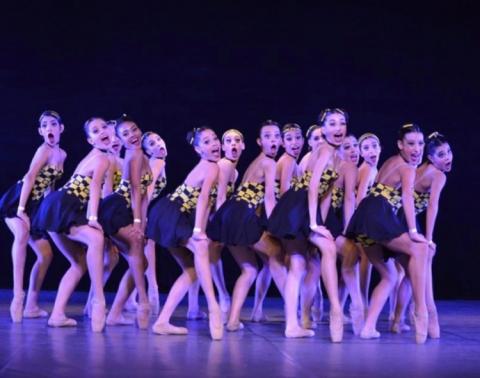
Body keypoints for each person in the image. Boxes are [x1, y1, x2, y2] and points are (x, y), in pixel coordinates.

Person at [347, 123, 429, 344]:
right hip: (377, 215)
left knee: (390, 275)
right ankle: (421, 311)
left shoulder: (390, 161)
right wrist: (413, 231)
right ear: (400, 145)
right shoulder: (407, 168)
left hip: (364, 219)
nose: (417, 149)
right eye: (411, 144)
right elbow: (407, 199)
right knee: (420, 249)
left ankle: (369, 327)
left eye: (420, 144)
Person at [33, 117, 113, 332]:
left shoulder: (98, 156)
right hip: (63, 206)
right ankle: (98, 300)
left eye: (104, 127)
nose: (102, 131)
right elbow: (95, 187)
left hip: (54, 207)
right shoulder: (102, 158)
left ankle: (57, 314)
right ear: (90, 140)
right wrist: (94, 218)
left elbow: (101, 190)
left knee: (78, 263)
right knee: (95, 238)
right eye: (96, 131)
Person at [146, 127, 223, 340]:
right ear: (198, 149)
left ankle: (162, 321)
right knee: (200, 247)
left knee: (192, 270)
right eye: (207, 142)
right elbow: (203, 198)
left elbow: (207, 204)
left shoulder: (211, 166)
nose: (215, 143)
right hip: (173, 213)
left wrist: (202, 229)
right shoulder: (212, 167)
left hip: (168, 214)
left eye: (215, 138)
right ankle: (213, 307)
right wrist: (198, 231)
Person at [207, 120, 285, 332]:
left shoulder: (254, 162)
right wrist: (279, 227)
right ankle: (294, 315)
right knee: (276, 253)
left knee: (250, 269)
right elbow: (269, 200)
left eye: (276, 136)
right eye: (267, 136)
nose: (273, 140)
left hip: (233, 215)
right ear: (260, 142)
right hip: (241, 215)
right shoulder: (268, 162)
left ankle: (233, 320)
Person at [0, 110, 66, 322]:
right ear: (40, 131)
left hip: (36, 205)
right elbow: (29, 178)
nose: (49, 128)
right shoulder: (43, 150)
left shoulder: (62, 154)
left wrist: (47, 212)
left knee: (46, 255)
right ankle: (18, 296)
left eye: (53, 124)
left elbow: (50, 186)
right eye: (45, 125)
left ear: (61, 128)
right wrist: (21, 209)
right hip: (18, 199)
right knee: (21, 234)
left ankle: (31, 305)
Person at [391, 132, 453, 339]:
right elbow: (433, 206)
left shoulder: (422, 169)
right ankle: (429, 315)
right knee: (423, 266)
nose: (448, 157)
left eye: (449, 152)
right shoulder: (439, 175)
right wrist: (429, 238)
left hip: (397, 217)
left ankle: (397, 321)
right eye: (441, 154)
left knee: (410, 276)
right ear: (431, 158)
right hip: (403, 221)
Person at [98, 116, 154, 328]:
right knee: (137, 248)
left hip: (125, 209)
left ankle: (115, 313)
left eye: (135, 129)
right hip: (117, 207)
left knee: (139, 260)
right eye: (126, 134)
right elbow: (135, 191)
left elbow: (145, 195)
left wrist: (143, 221)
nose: (133, 135)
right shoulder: (136, 154)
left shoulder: (140, 154)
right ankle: (144, 302)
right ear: (120, 140)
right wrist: (138, 222)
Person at [355, 133, 382, 309]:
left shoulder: (373, 169)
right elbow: (359, 199)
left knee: (358, 263)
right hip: (360, 222)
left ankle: (359, 304)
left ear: (380, 148)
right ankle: (362, 303)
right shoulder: (367, 169)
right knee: (364, 262)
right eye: (366, 148)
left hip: (364, 221)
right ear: (361, 153)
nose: (371, 150)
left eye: (374, 146)